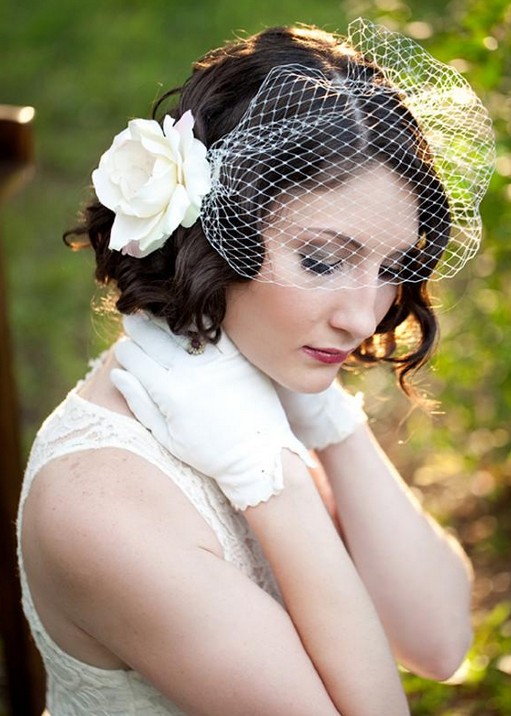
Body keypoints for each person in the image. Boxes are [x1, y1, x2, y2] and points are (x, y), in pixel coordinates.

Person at [17, 18, 495, 716]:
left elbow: (440, 642)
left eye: (390, 267)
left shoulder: (256, 373)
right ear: (214, 232)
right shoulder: (100, 506)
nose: (363, 319)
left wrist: (327, 419)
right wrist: (268, 478)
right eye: (322, 259)